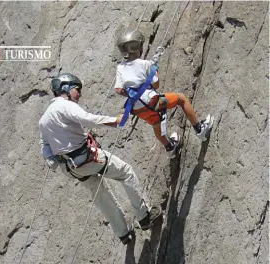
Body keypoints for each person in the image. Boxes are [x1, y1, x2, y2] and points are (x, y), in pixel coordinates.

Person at [38, 73, 161, 245]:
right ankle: (145, 216)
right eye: (76, 89)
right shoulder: (64, 106)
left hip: (70, 168)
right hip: (87, 158)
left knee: (99, 194)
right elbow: (88, 119)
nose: (79, 94)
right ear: (65, 89)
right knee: (125, 172)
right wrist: (115, 121)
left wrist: (51, 160)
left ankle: (123, 234)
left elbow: (44, 145)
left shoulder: (43, 119)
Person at [114, 29, 214, 158]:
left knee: (156, 123)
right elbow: (156, 85)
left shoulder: (120, 67)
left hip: (136, 108)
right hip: (151, 100)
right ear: (139, 46)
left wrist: (133, 94)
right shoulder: (145, 64)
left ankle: (170, 147)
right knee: (181, 99)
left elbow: (118, 90)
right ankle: (200, 129)